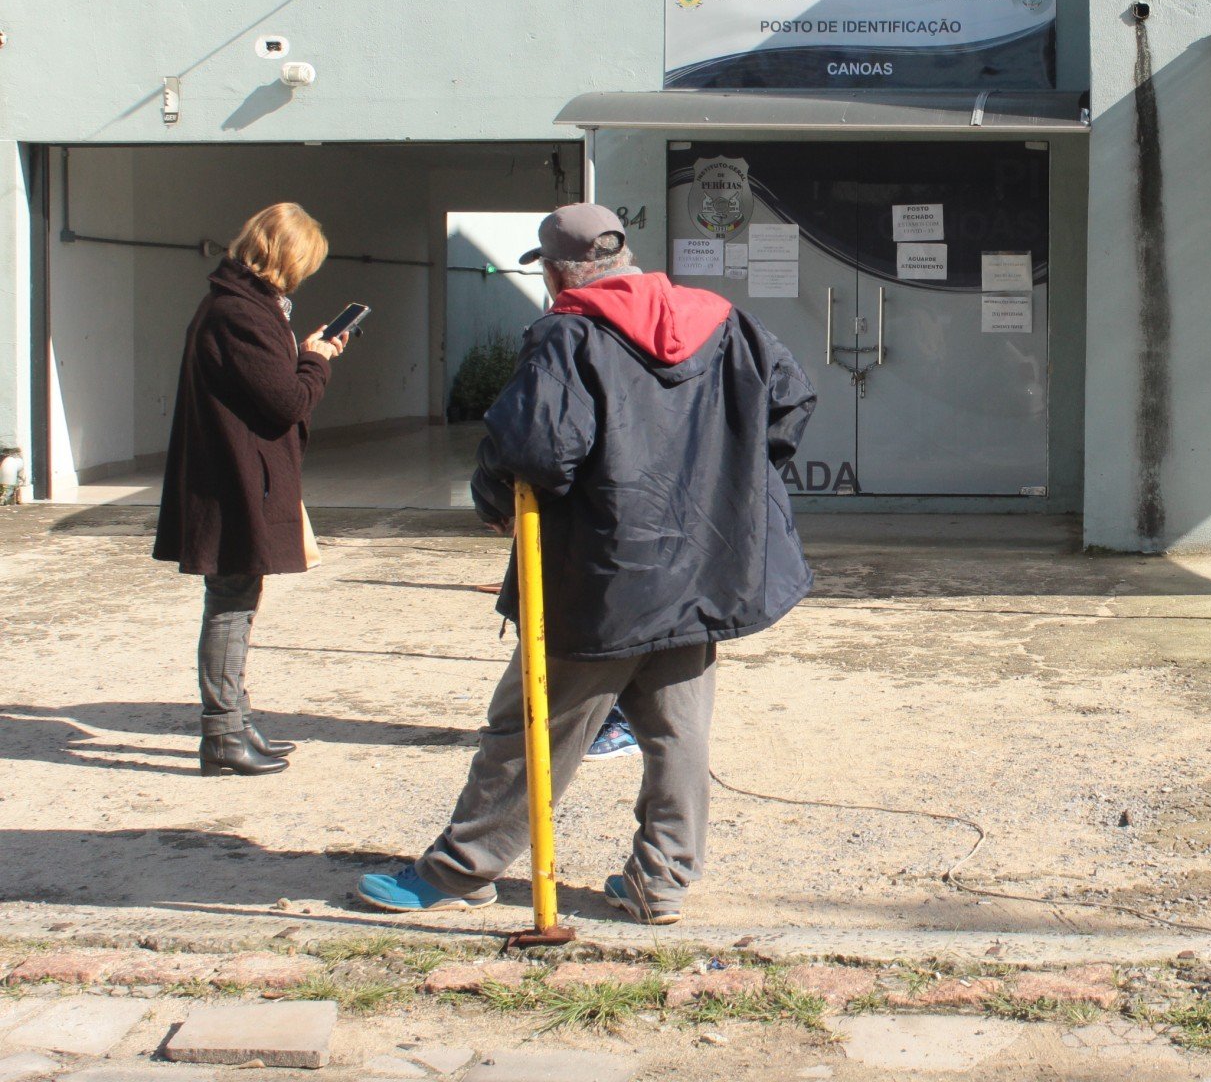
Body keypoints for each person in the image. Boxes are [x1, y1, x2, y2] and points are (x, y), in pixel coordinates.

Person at [356, 204, 814, 924]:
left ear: (557, 270)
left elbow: (535, 450)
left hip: (602, 574)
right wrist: (726, 487)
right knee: (676, 731)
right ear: (625, 254)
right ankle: (660, 881)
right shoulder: (720, 318)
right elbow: (788, 401)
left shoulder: (568, 333)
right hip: (701, 567)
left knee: (530, 721)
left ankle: (460, 870)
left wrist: (490, 497)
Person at [154, 203, 352, 777]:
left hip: (237, 478)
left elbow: (268, 384)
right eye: (305, 264)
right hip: (233, 484)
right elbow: (286, 401)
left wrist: (303, 351)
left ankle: (235, 724)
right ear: (287, 257)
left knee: (237, 600)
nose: (305, 275)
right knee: (230, 604)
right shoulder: (241, 313)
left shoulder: (242, 306)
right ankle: (221, 733)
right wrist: (316, 360)